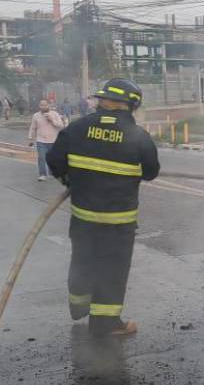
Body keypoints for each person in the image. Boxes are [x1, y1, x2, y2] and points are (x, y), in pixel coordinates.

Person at [46, 79, 159, 337]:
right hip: (118, 224)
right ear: (132, 105)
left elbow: (54, 160)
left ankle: (78, 306)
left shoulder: (76, 129)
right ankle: (106, 323)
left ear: (102, 101)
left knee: (82, 261)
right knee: (112, 269)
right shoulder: (138, 136)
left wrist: (68, 178)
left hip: (83, 219)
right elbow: (151, 172)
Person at [28, 99, 66, 181]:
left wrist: (52, 120)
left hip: (53, 140)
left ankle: (51, 172)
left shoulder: (54, 114)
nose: (43, 106)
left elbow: (61, 125)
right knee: (41, 157)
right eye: (41, 105)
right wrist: (30, 138)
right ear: (39, 106)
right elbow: (33, 127)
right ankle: (42, 174)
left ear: (48, 105)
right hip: (41, 140)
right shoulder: (36, 115)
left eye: (45, 105)